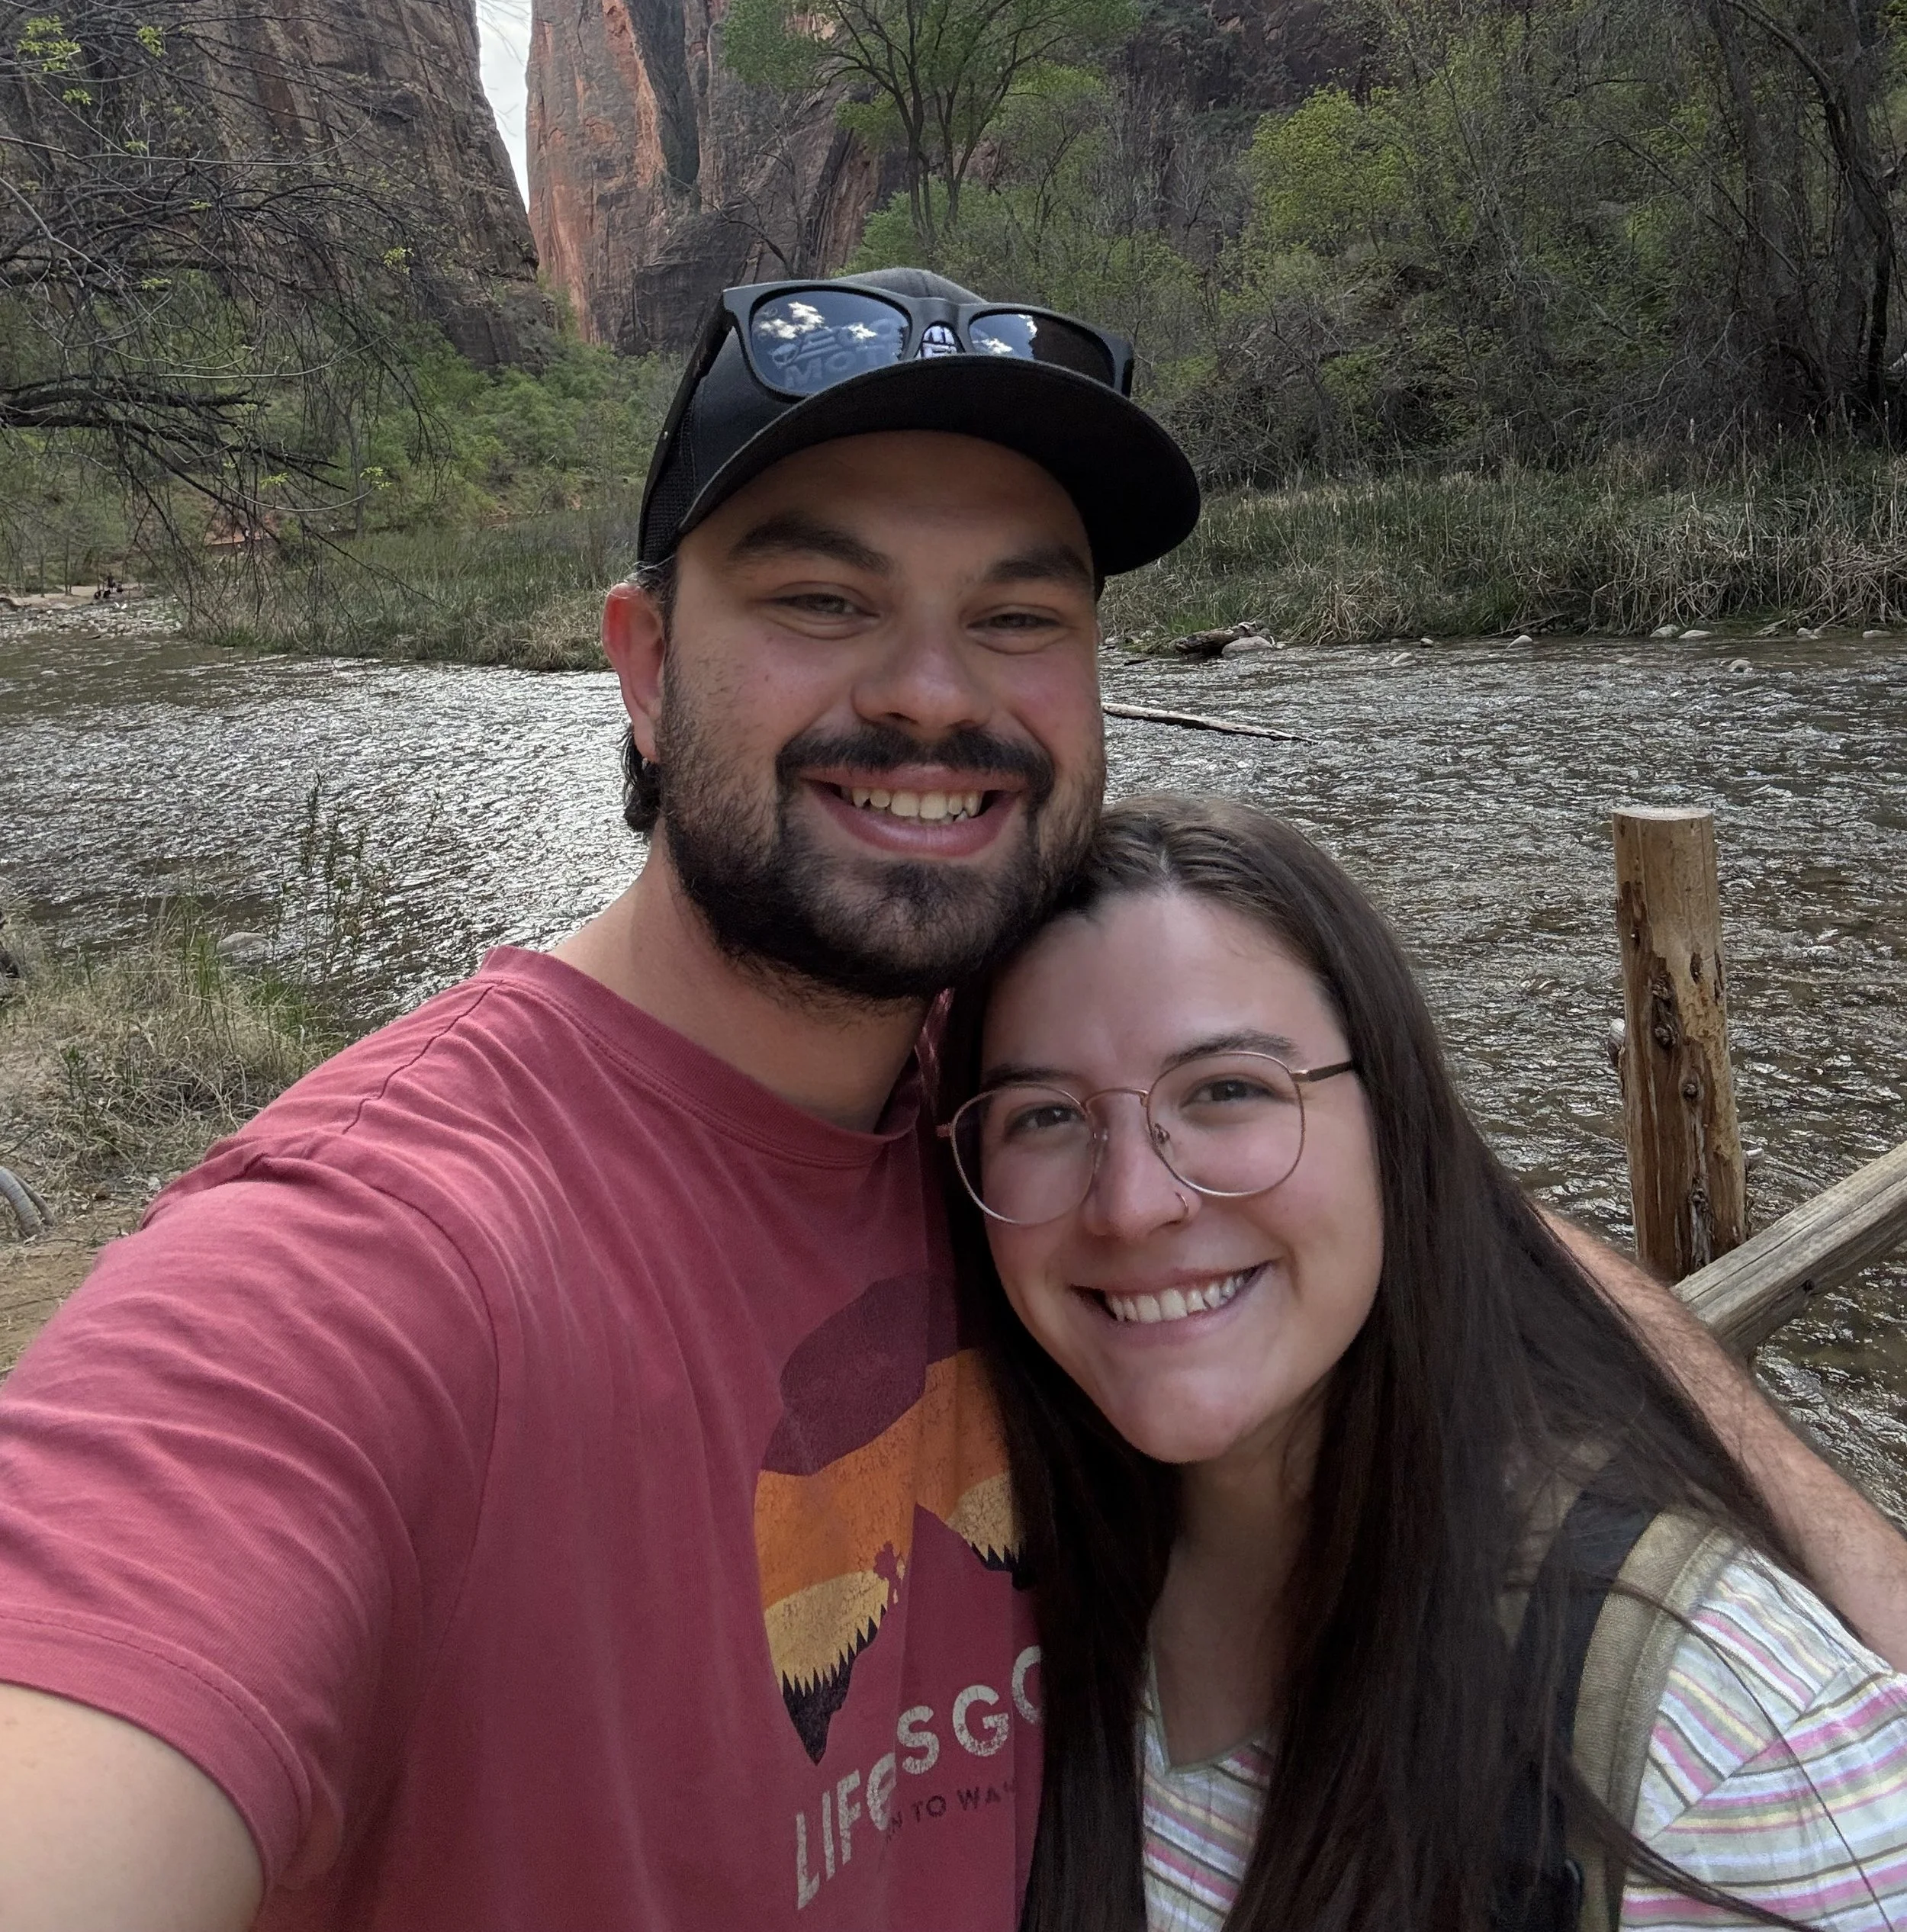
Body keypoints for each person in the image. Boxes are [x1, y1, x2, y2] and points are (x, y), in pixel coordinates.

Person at [0, 268, 1897, 1932]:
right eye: (821, 596)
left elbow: (1428, 1217)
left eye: (1016, 614)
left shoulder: (1014, 1090)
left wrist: (1832, 1647)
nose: (930, 695)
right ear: (644, 665)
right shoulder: (365, 1260)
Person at [941, 793, 1907, 1932]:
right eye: (1044, 1117)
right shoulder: (1004, 1573)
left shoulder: (1716, 1745)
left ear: (1397, 1123)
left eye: (1229, 1091)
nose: (1133, 1203)